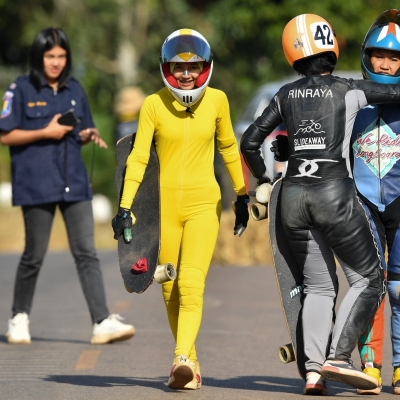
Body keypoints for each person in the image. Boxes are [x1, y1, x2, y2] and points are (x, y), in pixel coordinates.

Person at [240, 13, 400, 395]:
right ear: (334, 47)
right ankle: (339, 357)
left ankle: (312, 372)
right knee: (368, 279)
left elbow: (249, 141)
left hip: (292, 199)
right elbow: (392, 93)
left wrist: (264, 179)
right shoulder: (347, 90)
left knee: (318, 287)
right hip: (336, 197)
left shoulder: (283, 94)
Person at [112, 28, 248, 390]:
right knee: (169, 284)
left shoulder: (217, 100)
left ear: (206, 67)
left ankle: (181, 357)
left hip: (205, 202)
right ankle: (190, 362)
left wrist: (242, 195)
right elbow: (138, 158)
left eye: (194, 67)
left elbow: (229, 147)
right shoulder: (153, 104)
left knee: (191, 281)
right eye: (177, 67)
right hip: (163, 208)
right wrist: (125, 207)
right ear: (166, 69)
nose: (186, 74)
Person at [0, 28, 135, 345]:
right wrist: (44, 132)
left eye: (61, 56)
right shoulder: (20, 89)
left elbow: (82, 127)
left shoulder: (74, 89)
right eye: (50, 56)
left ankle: (101, 321)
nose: (56, 62)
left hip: (74, 183)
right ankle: (19, 318)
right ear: (39, 57)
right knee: (34, 254)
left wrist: (88, 134)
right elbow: (5, 134)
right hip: (37, 184)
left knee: (86, 252)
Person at [351, 9, 400, 396]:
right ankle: (369, 365)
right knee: (371, 284)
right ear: (366, 58)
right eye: (378, 56)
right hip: (363, 204)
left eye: (394, 57)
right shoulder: (353, 102)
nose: (384, 64)